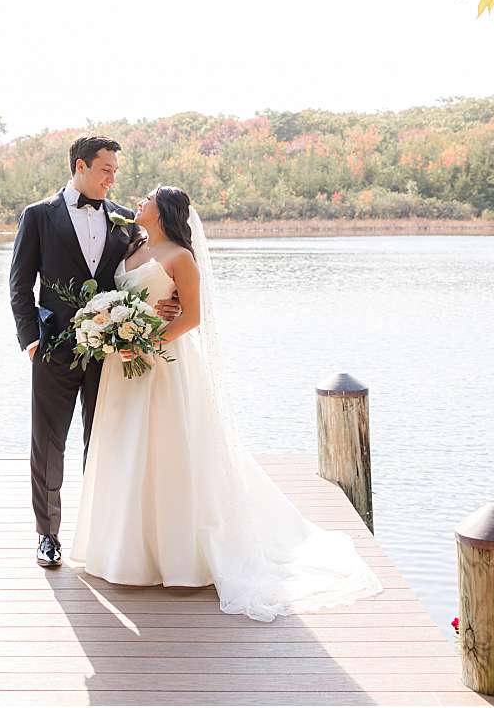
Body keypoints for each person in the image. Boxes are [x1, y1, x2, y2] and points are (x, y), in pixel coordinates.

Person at [70, 185, 384, 621]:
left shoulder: (181, 257)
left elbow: (192, 317)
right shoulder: (133, 245)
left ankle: (177, 557)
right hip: (121, 368)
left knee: (167, 450)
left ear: (163, 210)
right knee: (126, 450)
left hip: (163, 364)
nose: (139, 202)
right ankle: (124, 550)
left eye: (148, 198)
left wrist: (144, 343)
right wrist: (109, 329)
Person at [8, 136, 181, 569]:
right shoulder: (37, 216)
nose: (112, 179)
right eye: (106, 170)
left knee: (103, 442)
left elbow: (157, 265)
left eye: (116, 171)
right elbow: (20, 284)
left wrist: (171, 302)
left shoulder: (126, 222)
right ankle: (47, 536)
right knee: (47, 444)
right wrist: (31, 340)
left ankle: (99, 535)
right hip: (52, 349)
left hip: (111, 353)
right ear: (80, 167)